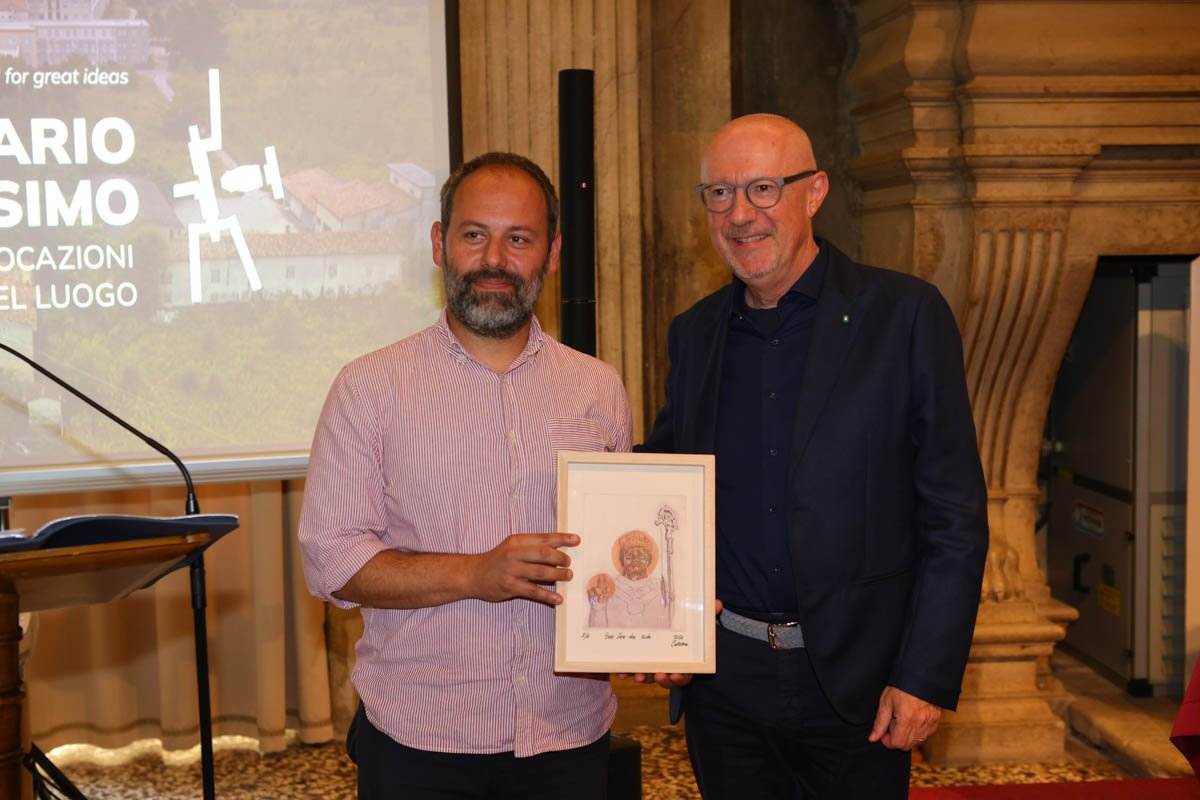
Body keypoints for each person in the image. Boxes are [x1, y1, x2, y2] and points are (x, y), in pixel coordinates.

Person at [639, 113, 988, 798]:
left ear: (816, 191)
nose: (740, 214)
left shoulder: (905, 316)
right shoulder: (696, 334)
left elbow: (954, 515)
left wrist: (923, 675)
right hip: (726, 685)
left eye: (764, 188)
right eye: (719, 194)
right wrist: (656, 623)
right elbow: (665, 484)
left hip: (858, 685)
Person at [298, 152, 632, 800]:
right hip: (422, 746)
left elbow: (618, 559)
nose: (494, 260)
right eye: (474, 234)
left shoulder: (597, 387)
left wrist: (655, 633)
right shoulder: (368, 389)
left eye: (520, 239)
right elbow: (333, 561)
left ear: (552, 252)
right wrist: (476, 574)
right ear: (438, 243)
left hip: (569, 738)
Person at [587, 529, 670, 629]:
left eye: (641, 555)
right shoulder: (608, 587)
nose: (635, 559)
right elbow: (597, 630)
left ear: (649, 560)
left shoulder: (660, 587)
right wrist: (597, 607)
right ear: (622, 560)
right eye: (630, 555)